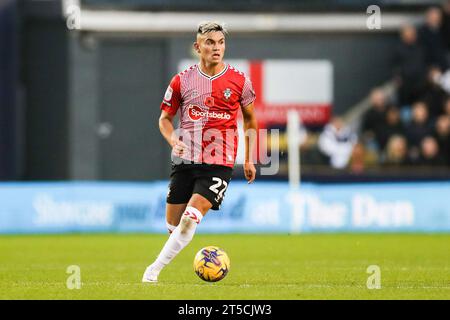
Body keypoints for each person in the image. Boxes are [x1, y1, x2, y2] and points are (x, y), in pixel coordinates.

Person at [142, 22, 257, 283]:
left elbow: (251, 119)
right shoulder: (182, 80)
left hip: (220, 161)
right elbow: (164, 119)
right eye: (209, 42)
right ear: (198, 47)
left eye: (220, 43)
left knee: (189, 219)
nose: (216, 48)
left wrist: (248, 158)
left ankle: (153, 271)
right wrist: (173, 140)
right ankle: (185, 252)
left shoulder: (240, 81)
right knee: (173, 228)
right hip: (185, 159)